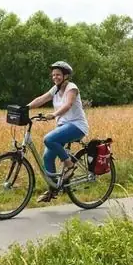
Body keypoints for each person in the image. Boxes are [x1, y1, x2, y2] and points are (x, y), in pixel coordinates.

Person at [26, 60, 89, 202]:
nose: (55, 77)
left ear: (66, 76)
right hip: (63, 127)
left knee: (49, 139)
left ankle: (69, 165)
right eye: (53, 75)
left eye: (58, 74)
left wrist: (53, 115)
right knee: (47, 158)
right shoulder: (55, 89)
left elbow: (68, 104)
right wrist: (25, 108)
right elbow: (41, 99)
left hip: (77, 126)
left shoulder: (71, 88)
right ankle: (53, 189)